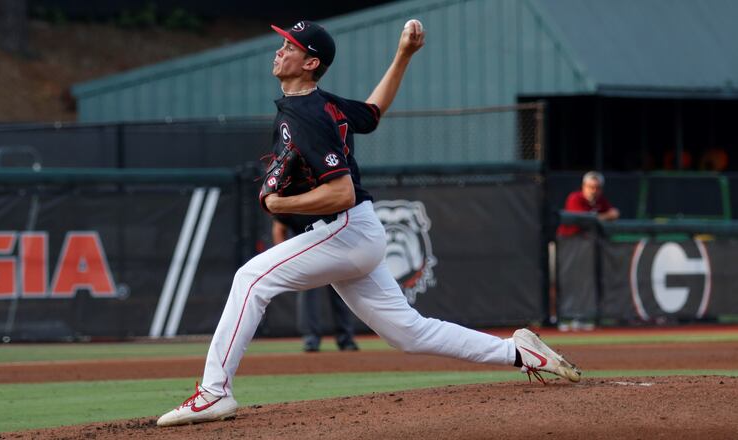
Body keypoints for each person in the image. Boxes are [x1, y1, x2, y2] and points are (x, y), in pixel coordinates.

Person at [157, 19, 581, 427]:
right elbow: (373, 113)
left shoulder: (308, 115)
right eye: (283, 42)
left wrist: (280, 203)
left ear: (310, 63)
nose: (280, 49)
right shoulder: (322, 103)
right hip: (356, 231)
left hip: (344, 228)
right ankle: (520, 353)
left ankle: (214, 391)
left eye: (290, 46)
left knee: (251, 279)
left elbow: (340, 192)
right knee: (408, 333)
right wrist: (403, 54)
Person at [272, 218, 359, 352]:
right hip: (307, 253)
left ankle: (346, 339)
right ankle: (311, 339)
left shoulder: (327, 199)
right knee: (308, 295)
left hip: (334, 250)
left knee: (342, 293)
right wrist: (284, 257)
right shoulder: (293, 202)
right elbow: (279, 228)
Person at [556, 171, 620, 237]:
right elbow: (584, 219)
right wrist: (606, 216)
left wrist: (608, 215)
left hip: (589, 240)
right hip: (569, 239)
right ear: (583, 186)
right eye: (590, 187)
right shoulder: (575, 198)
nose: (594, 191)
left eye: (597, 188)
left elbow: (614, 213)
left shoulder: (601, 200)